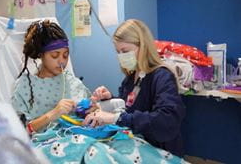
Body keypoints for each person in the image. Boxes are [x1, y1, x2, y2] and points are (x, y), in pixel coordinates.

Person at [83, 19, 186, 157]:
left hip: (160, 151)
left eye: (125, 51)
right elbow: (129, 109)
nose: (121, 56)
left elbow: (167, 121)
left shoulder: (162, 76)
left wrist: (115, 118)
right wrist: (111, 100)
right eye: (118, 52)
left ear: (143, 46)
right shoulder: (131, 79)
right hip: (137, 147)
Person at [11, 19, 91, 133]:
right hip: (48, 145)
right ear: (41, 54)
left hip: (81, 137)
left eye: (65, 55)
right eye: (54, 55)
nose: (61, 61)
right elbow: (18, 131)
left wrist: (94, 107)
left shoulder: (72, 82)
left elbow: (90, 112)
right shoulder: (25, 86)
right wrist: (52, 114)